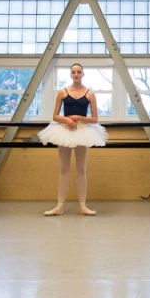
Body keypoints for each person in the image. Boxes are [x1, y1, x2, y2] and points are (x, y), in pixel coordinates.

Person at [37, 63, 106, 216]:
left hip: (83, 130)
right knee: (63, 169)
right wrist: (66, 120)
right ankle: (59, 206)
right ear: (70, 74)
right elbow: (55, 116)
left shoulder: (90, 94)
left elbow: (95, 118)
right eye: (73, 72)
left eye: (79, 72)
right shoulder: (62, 92)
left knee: (81, 169)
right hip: (65, 130)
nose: (76, 74)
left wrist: (79, 117)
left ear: (83, 74)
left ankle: (83, 206)